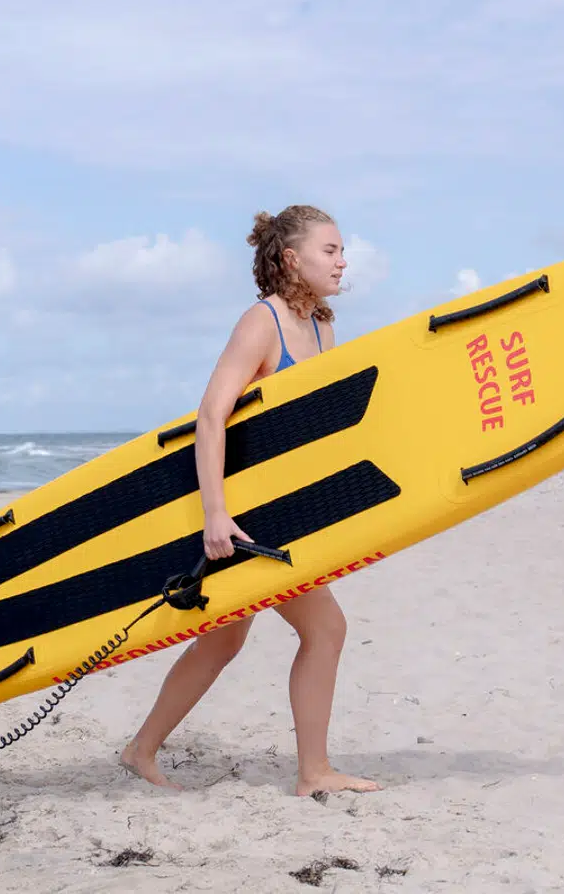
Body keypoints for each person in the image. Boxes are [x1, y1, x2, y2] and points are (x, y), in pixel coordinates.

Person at [119, 204, 380, 797]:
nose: (342, 261)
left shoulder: (322, 327)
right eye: (330, 250)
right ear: (292, 258)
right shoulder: (261, 323)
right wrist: (215, 514)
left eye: (342, 251)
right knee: (325, 629)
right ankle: (313, 772)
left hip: (282, 510)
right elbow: (211, 416)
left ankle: (141, 749)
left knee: (225, 638)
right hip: (246, 518)